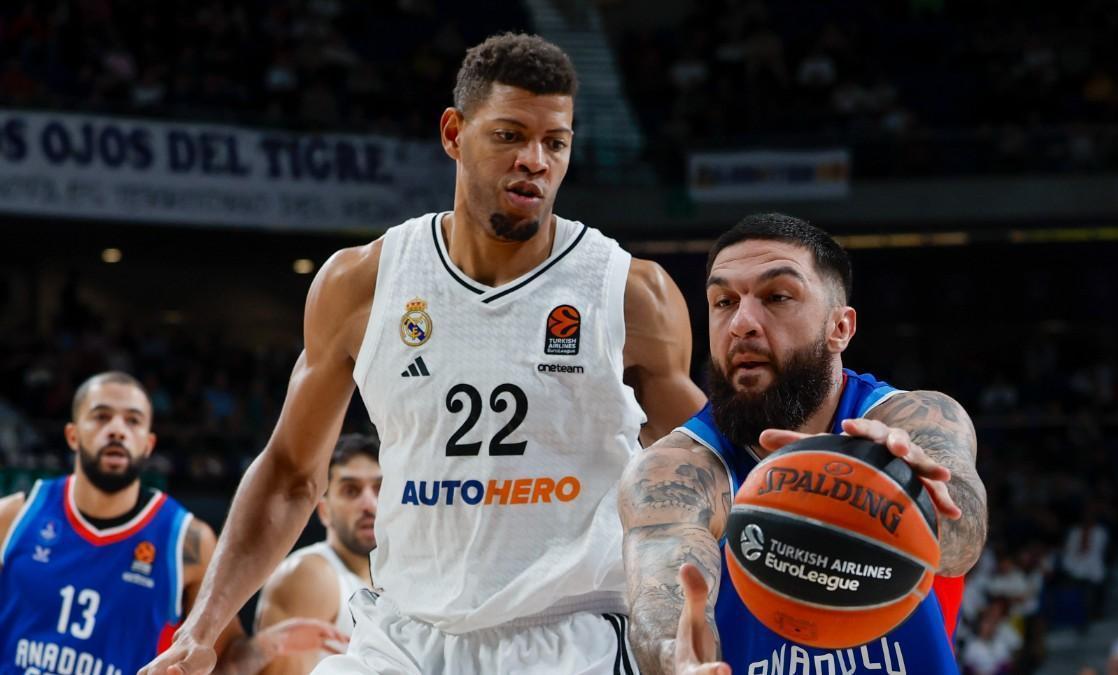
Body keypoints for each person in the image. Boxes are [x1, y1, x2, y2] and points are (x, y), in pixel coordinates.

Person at [143, 32, 706, 675]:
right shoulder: (361, 284)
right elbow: (290, 474)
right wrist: (201, 628)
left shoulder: (629, 294)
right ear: (453, 133)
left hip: (569, 638)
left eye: (555, 143)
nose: (534, 160)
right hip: (405, 635)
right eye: (509, 135)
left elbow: (707, 469)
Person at [619, 213, 988, 675]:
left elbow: (962, 548)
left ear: (841, 327)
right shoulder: (677, 471)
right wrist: (679, 658)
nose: (741, 323)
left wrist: (915, 491)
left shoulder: (916, 420)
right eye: (724, 302)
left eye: (777, 297)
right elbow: (660, 600)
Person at [0, 371, 346, 675]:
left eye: (133, 421)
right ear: (73, 435)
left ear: (148, 444)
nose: (117, 430)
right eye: (101, 417)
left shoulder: (186, 541)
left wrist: (268, 645)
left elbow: (220, 661)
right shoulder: (14, 517)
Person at [254, 433, 382, 674]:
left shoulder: (394, 579)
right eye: (351, 490)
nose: (370, 504)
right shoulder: (310, 575)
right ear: (324, 511)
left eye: (379, 489)